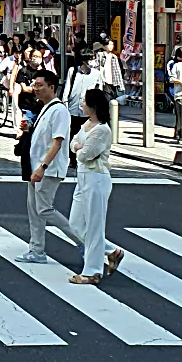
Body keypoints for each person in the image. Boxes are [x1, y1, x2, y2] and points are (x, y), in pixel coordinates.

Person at [66, 87, 125, 284]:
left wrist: (78, 148)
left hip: (96, 179)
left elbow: (84, 154)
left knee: (94, 226)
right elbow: (73, 143)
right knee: (75, 223)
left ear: (93, 105)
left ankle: (92, 272)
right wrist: (78, 147)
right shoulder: (87, 124)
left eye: (84, 101)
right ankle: (112, 251)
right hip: (83, 178)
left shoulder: (102, 130)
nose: (81, 104)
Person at [23, 69, 80, 263]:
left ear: (52, 87)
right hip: (36, 167)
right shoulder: (47, 107)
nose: (36, 89)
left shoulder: (59, 110)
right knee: (34, 210)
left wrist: (43, 167)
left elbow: (58, 141)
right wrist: (28, 128)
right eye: (35, 85)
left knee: (44, 209)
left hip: (48, 168)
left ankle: (90, 243)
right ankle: (36, 250)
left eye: (40, 85)